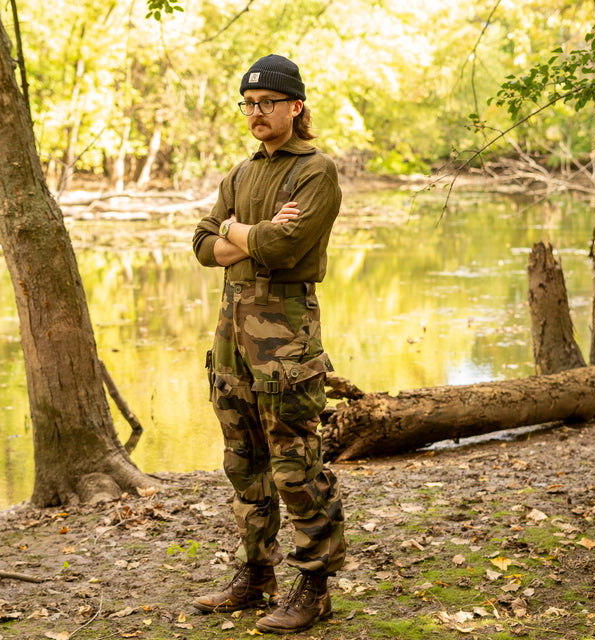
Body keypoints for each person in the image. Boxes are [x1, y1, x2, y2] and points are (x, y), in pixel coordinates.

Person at [191, 53, 346, 635]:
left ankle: (316, 587)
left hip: (286, 342)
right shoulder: (240, 173)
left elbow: (284, 249)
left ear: (295, 107)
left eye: (267, 104)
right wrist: (244, 232)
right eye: (249, 105)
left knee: (295, 465)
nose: (256, 113)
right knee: (244, 463)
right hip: (231, 341)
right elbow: (203, 245)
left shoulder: (314, 171)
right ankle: (256, 576)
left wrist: (237, 233)